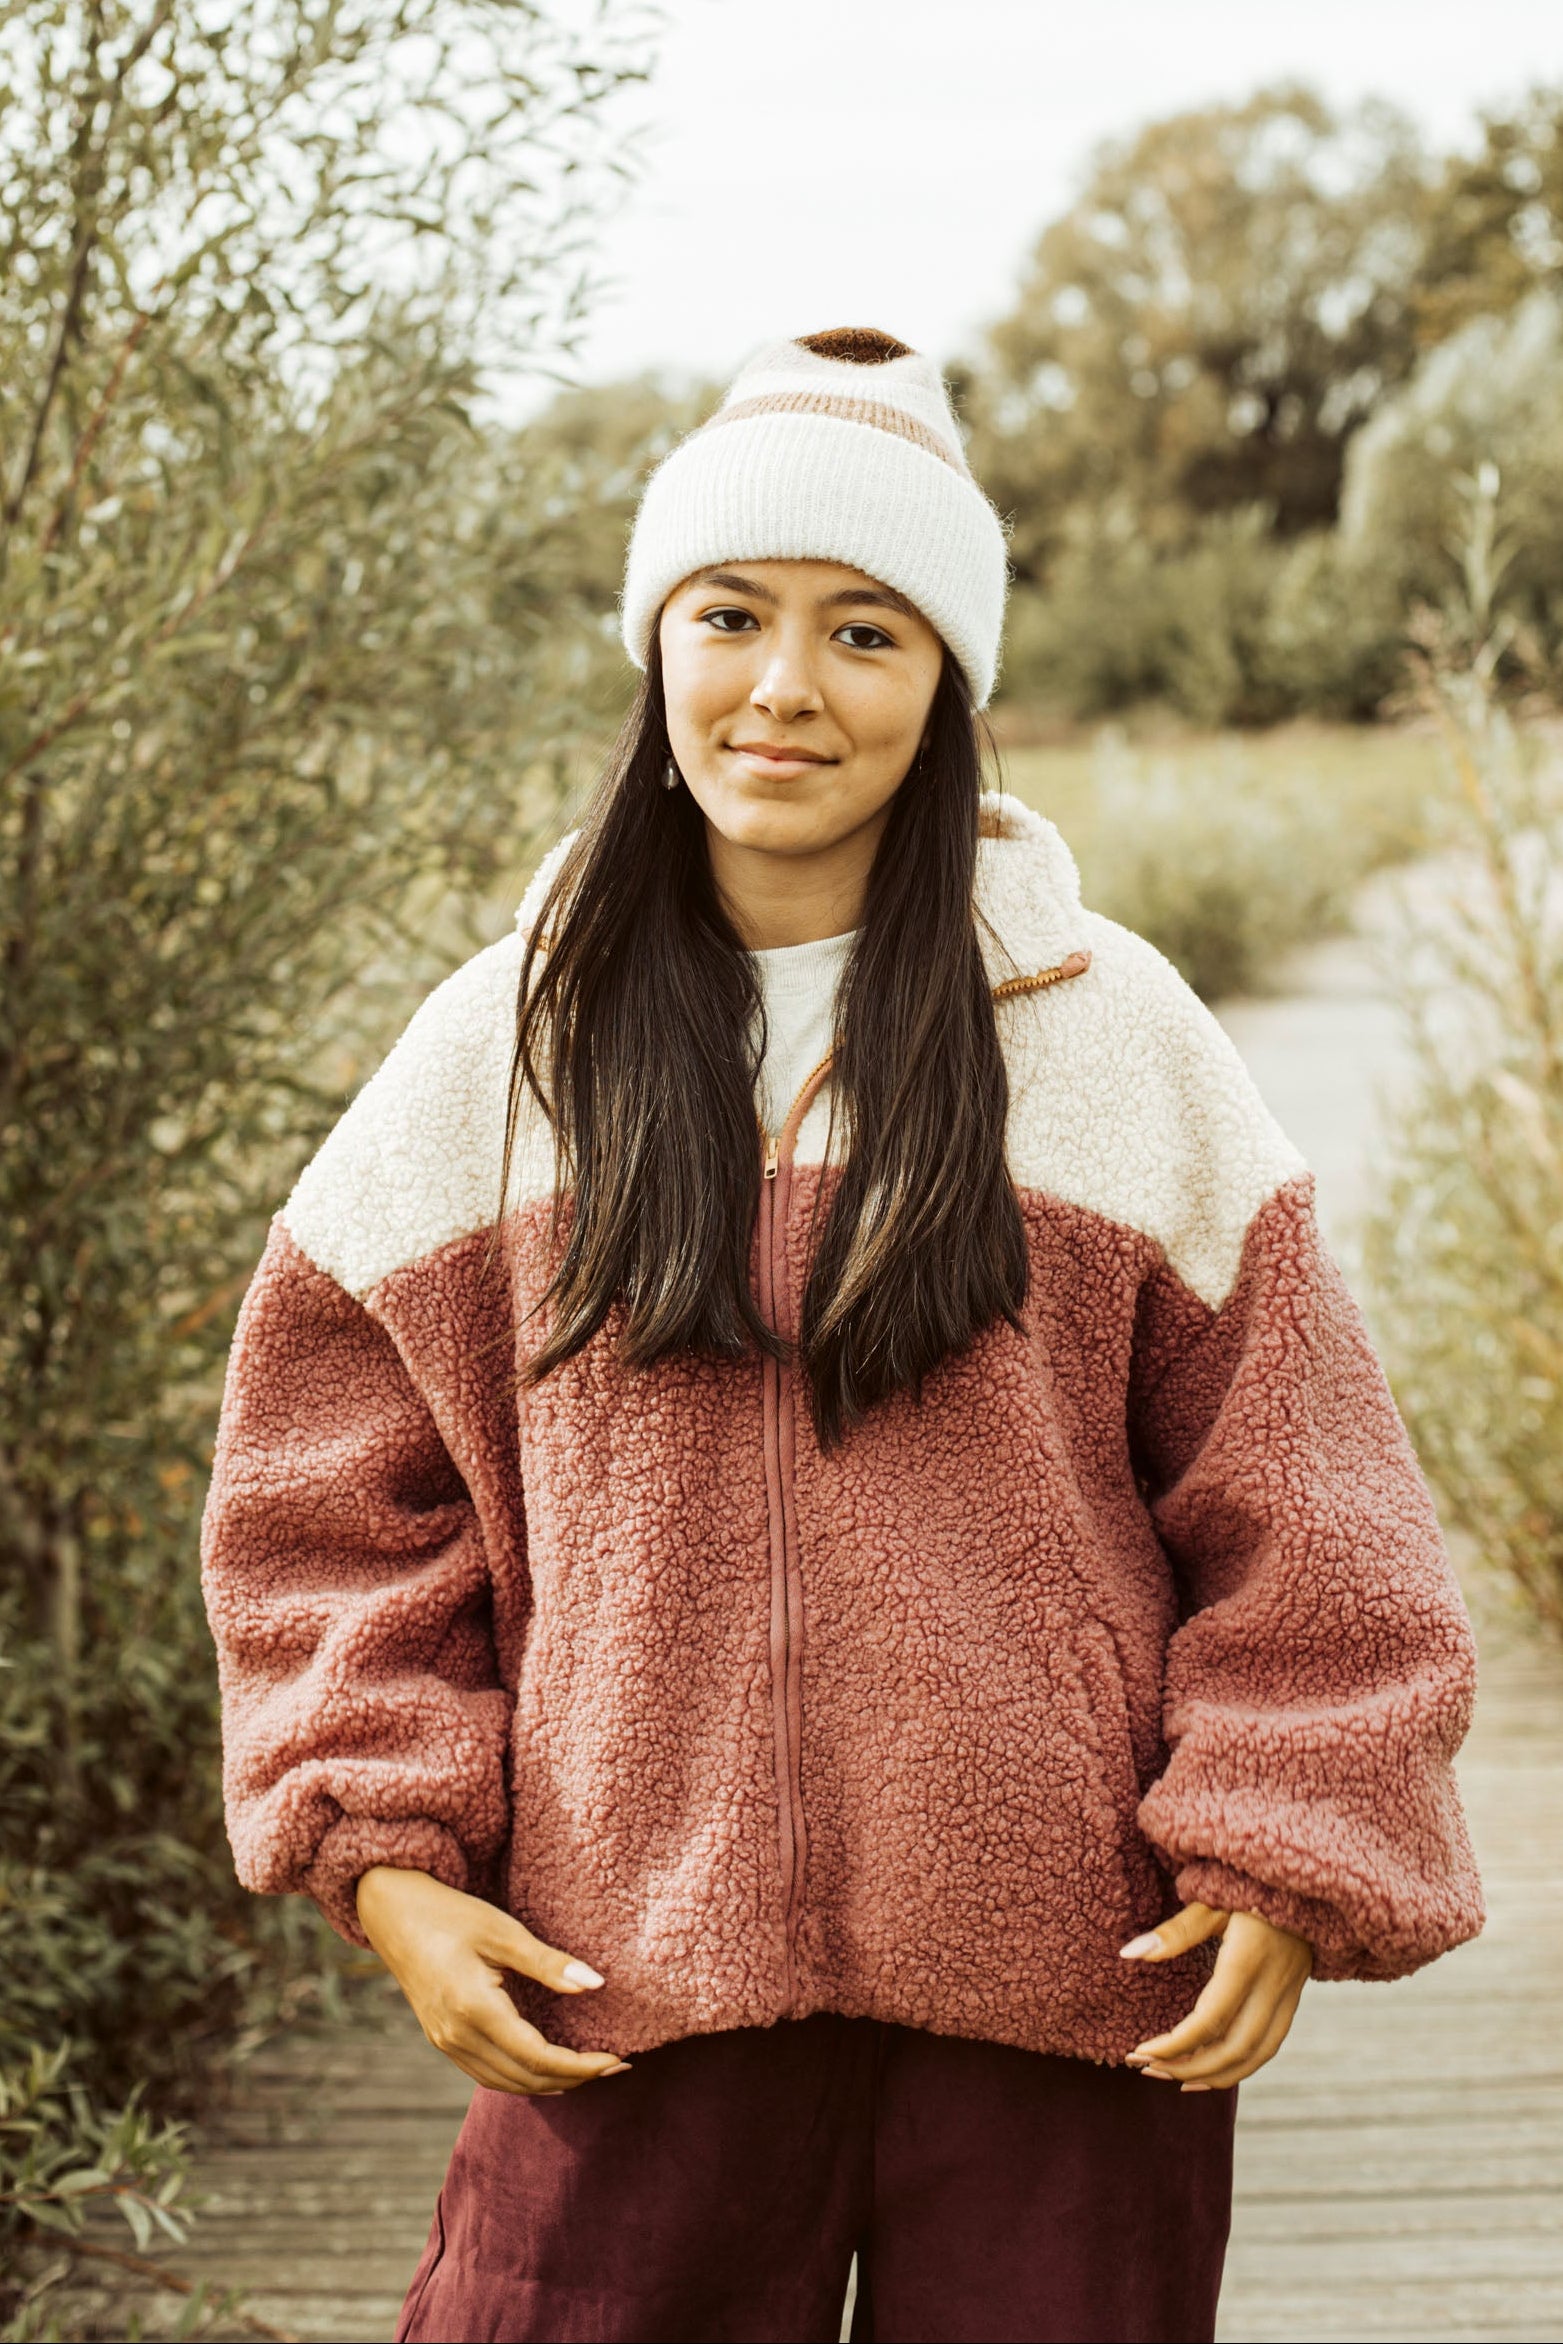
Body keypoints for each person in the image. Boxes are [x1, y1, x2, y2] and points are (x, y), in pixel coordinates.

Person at [201, 327, 1484, 2344]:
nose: (784, 686)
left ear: (947, 683)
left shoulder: (1114, 1038)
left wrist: (1284, 1837)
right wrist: (384, 1854)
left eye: (864, 632)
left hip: (1077, 1977)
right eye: (729, 614)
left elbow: (1309, 1494)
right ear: (656, 643)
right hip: (621, 1960)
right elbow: (325, 1505)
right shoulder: (501, 1048)